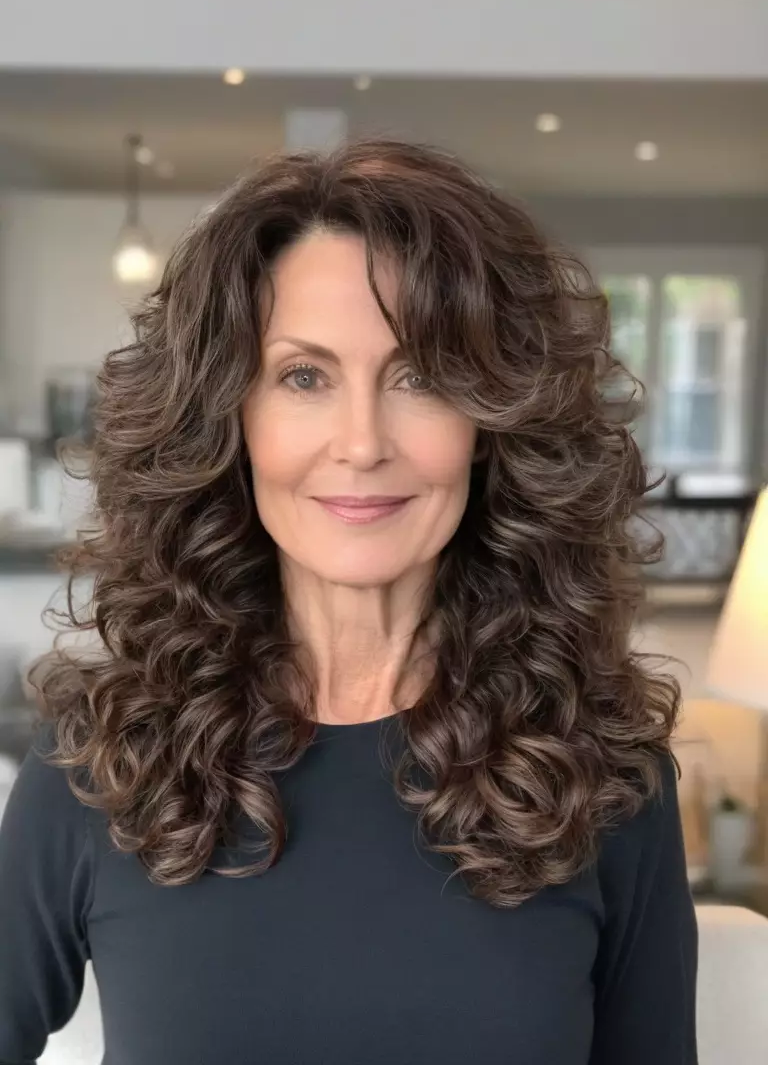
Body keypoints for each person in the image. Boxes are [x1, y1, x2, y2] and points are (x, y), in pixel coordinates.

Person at [0, 138, 698, 1064]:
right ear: (231, 418)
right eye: (304, 377)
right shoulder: (97, 763)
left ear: (492, 425)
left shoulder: (604, 776)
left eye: (420, 377)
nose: (362, 442)